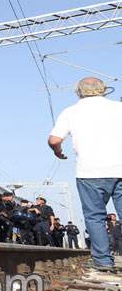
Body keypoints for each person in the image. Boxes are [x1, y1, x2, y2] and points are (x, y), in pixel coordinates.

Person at [48, 77, 122, 270]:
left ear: (78, 92)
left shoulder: (71, 112)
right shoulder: (119, 108)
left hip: (91, 172)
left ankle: (104, 262)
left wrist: (58, 152)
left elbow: (54, 139)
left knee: (95, 216)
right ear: (104, 90)